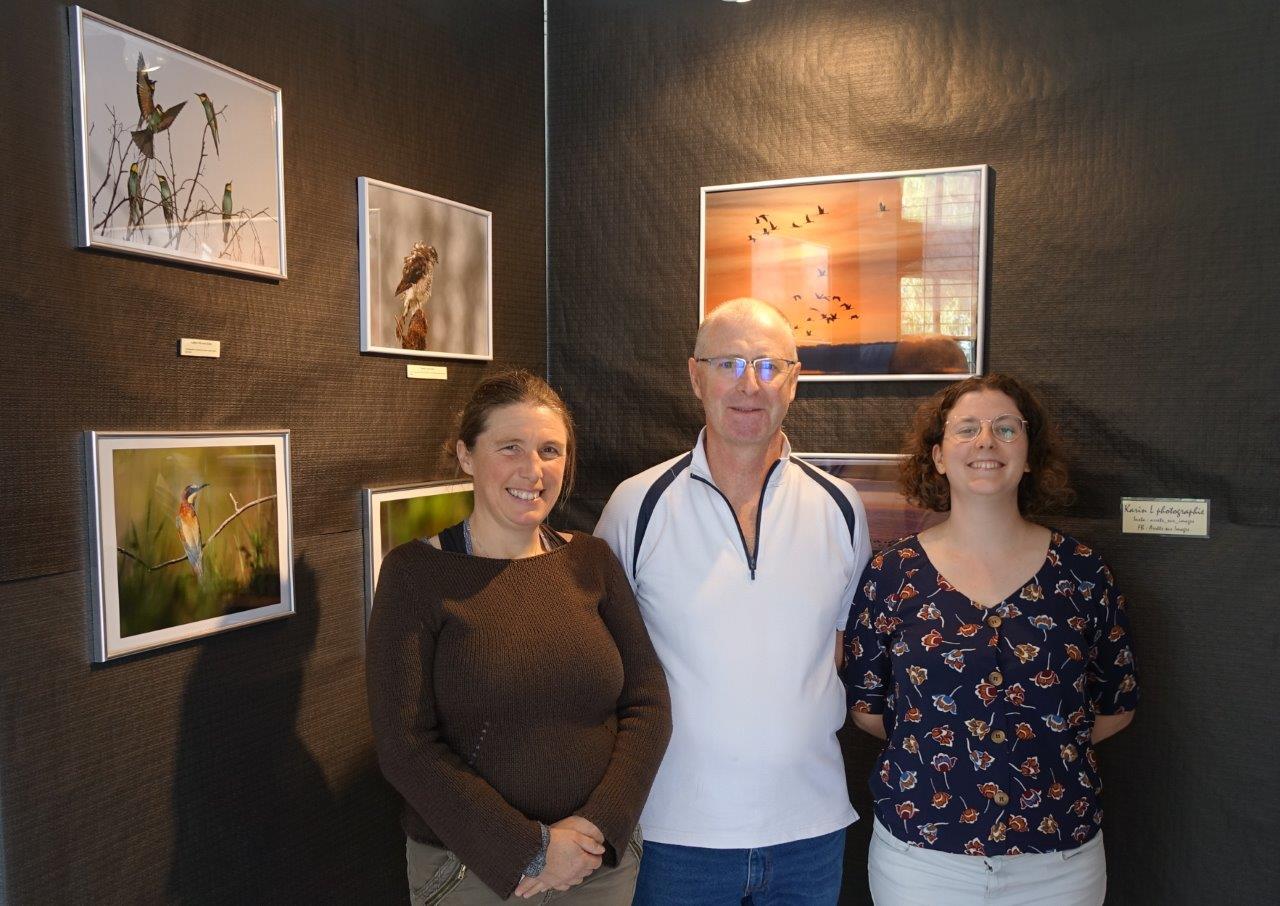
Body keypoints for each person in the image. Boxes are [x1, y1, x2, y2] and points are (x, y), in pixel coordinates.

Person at [595, 298, 872, 905]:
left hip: (811, 831)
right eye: (728, 364)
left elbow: (838, 649)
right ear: (695, 376)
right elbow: (604, 668)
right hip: (673, 835)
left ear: (794, 383)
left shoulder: (841, 507)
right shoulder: (635, 506)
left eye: (770, 366)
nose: (750, 385)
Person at [367, 370, 672, 904]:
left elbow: (649, 702)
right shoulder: (415, 575)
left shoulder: (592, 562)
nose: (533, 470)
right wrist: (530, 849)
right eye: (510, 447)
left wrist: (597, 828)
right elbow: (405, 745)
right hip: (472, 872)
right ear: (466, 455)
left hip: (596, 868)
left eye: (550, 450)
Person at [842, 373, 1139, 906]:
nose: (986, 441)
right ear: (936, 456)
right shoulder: (893, 574)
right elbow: (867, 708)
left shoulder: (1083, 573)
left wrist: (1044, 743)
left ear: (1029, 455)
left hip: (1058, 862)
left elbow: (1116, 704)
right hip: (923, 863)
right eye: (967, 429)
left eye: (1006, 428)